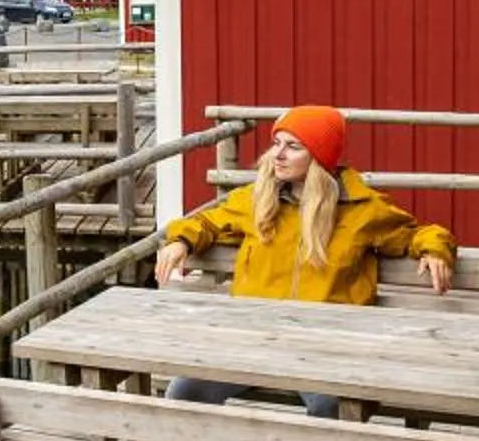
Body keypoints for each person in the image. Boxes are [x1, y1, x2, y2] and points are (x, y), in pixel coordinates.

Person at [151, 105, 457, 416]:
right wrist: (181, 241)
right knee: (185, 391)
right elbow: (208, 222)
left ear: (319, 156)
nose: (278, 155)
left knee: (331, 404)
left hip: (324, 347)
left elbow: (417, 233)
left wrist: (433, 250)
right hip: (254, 337)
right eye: (277, 143)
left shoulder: (361, 209)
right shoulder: (256, 199)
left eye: (293, 146)